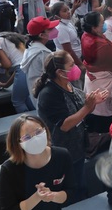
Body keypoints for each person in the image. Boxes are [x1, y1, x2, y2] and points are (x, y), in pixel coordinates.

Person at [34, 51, 102, 200]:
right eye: (71, 65)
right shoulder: (49, 94)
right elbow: (64, 125)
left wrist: (92, 102)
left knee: (81, 185)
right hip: (63, 151)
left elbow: (82, 110)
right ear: (60, 72)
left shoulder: (68, 86)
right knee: (71, 191)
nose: (77, 67)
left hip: (77, 147)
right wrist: (87, 107)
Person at [80, 11, 112, 133]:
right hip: (102, 82)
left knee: (95, 109)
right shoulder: (99, 45)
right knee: (103, 115)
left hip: (94, 78)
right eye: (102, 23)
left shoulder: (86, 35)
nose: (104, 25)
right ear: (94, 28)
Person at [21, 16, 57, 101]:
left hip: (37, 94)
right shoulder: (43, 53)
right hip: (46, 96)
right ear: (41, 35)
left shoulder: (31, 47)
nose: (54, 30)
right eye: (50, 29)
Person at [0, 33, 34, 113]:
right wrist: (6, 84)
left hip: (22, 70)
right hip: (30, 67)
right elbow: (18, 69)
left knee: (17, 101)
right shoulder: (9, 38)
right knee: (26, 98)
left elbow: (7, 64)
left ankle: (27, 123)